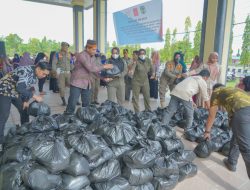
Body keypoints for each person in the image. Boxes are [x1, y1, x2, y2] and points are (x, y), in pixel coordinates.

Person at [0, 62, 49, 152]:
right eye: (44, 73)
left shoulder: (35, 76)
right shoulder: (25, 71)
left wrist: (26, 101)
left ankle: (24, 132)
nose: (44, 76)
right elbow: (20, 88)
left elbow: (29, 88)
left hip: (15, 92)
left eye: (46, 74)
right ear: (38, 69)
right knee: (3, 116)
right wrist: (35, 97)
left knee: (25, 110)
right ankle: (1, 142)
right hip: (4, 91)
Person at [204, 84, 250, 178]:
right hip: (246, 110)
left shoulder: (216, 92)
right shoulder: (233, 90)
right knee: (237, 135)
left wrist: (207, 132)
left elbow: (212, 115)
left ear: (214, 89)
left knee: (245, 148)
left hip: (243, 113)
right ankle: (231, 162)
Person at [65, 40, 113, 114]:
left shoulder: (93, 57)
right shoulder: (81, 55)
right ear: (87, 48)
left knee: (86, 105)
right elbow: (90, 68)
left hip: (87, 84)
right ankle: (66, 119)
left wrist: (103, 78)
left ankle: (85, 120)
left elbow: (94, 71)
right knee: (72, 103)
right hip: (77, 83)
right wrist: (104, 66)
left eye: (95, 49)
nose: (95, 51)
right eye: (93, 49)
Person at [130, 48, 154, 112]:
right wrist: (132, 71)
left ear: (145, 54)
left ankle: (148, 110)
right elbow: (133, 67)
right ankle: (137, 112)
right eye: (140, 54)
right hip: (136, 82)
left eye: (143, 53)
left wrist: (153, 74)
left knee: (147, 96)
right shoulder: (136, 61)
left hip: (145, 81)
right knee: (135, 98)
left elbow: (152, 68)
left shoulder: (148, 60)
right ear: (138, 55)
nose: (142, 55)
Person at [52, 42, 73, 106]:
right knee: (61, 88)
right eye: (65, 46)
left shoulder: (69, 54)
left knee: (73, 86)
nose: (66, 48)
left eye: (67, 46)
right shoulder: (57, 54)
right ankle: (64, 101)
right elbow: (54, 63)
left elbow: (71, 63)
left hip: (68, 73)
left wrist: (73, 70)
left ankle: (75, 100)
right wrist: (55, 72)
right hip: (60, 73)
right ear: (62, 46)